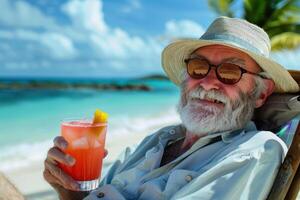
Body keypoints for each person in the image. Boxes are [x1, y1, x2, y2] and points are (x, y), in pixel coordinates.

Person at [43, 16, 299, 200]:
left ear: (261, 93)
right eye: (198, 68)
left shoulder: (256, 149)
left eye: (230, 72)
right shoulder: (156, 140)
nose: (208, 83)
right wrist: (69, 190)